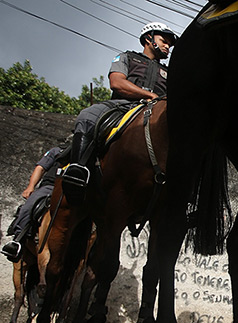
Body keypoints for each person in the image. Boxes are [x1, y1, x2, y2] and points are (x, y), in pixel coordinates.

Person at [63, 22, 177, 197]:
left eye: (169, 43)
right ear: (148, 38)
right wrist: (149, 95)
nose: (167, 46)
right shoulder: (127, 57)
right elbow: (117, 82)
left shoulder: (170, 72)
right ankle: (77, 170)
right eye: (164, 40)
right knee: (87, 115)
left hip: (158, 113)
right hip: (124, 105)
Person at [2, 146, 66, 261]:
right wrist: (31, 187)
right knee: (29, 207)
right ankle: (18, 240)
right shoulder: (58, 151)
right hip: (50, 187)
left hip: (71, 192)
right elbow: (41, 168)